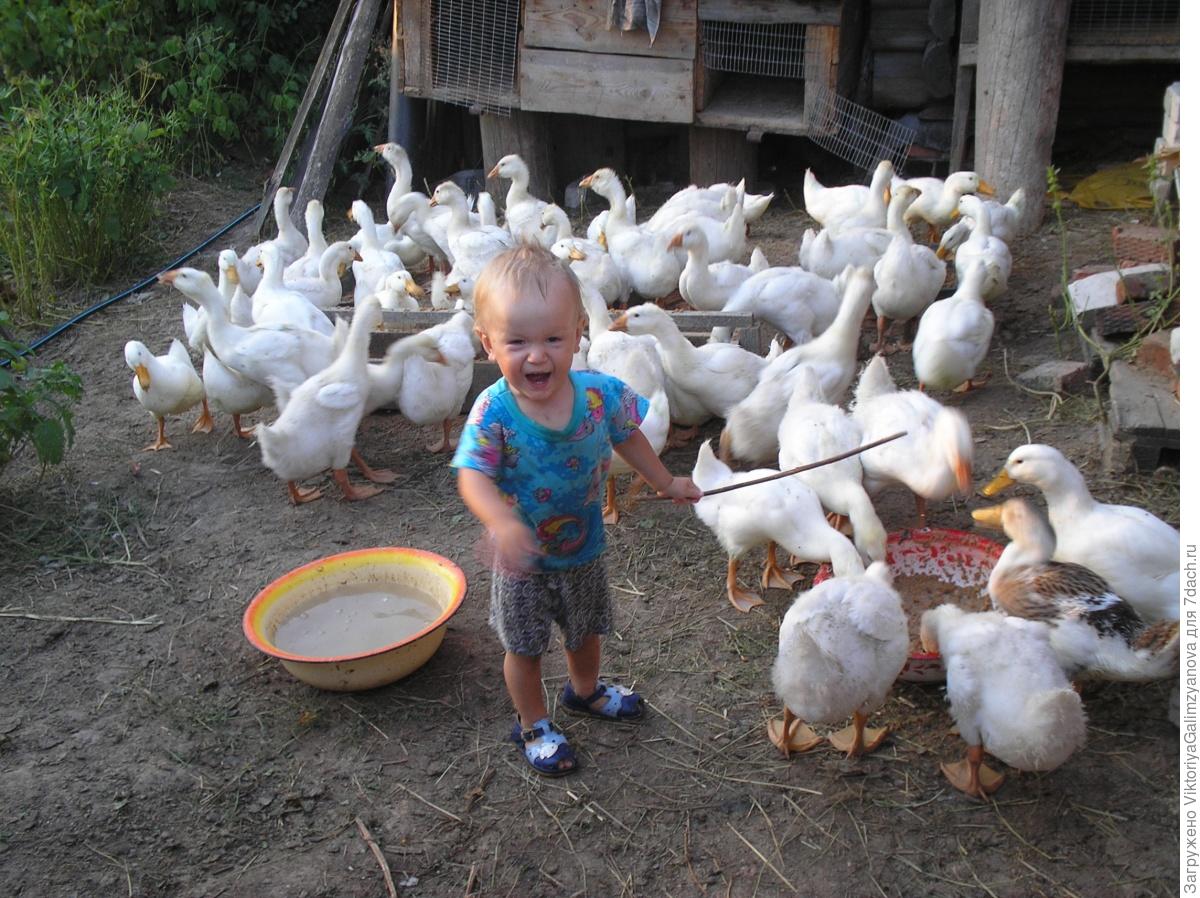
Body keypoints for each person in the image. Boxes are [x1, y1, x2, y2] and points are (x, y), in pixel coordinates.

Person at [452, 244, 702, 777]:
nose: (536, 355)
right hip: (523, 563)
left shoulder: (598, 396)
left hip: (583, 549)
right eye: (516, 341)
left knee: (586, 631)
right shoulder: (492, 411)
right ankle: (533, 723)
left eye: (552, 339)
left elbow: (629, 437)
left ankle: (584, 692)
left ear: (577, 335)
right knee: (524, 646)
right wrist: (500, 521)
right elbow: (471, 474)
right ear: (487, 343)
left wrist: (668, 480)